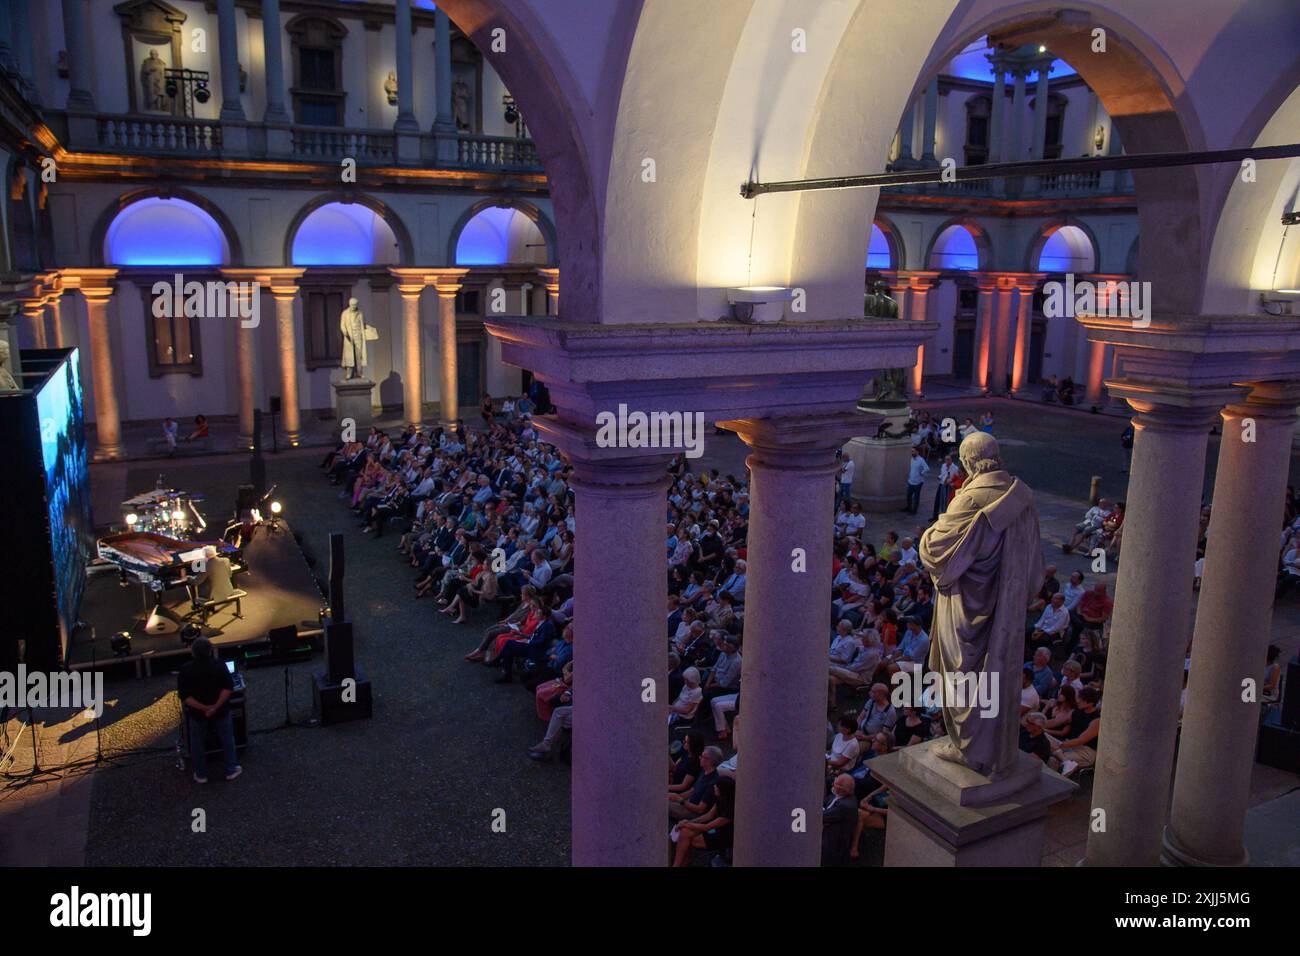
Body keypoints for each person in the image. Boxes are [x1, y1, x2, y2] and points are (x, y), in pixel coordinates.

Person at [177, 638, 241, 784]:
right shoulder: (219, 664)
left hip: (197, 714)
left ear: (192, 652)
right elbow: (228, 688)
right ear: (210, 650)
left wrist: (204, 708)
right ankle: (232, 769)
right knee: (227, 739)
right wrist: (215, 707)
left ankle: (201, 774)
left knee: (197, 743)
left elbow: (185, 696)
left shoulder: (185, 669)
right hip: (220, 710)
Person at [1049, 686, 1101, 776]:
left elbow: (1081, 740)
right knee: (1045, 741)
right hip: (1070, 745)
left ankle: (1061, 783)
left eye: (1081, 699)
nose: (1078, 701)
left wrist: (1060, 745)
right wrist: (1039, 724)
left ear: (1090, 703)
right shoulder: (1076, 712)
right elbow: (1056, 722)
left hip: (1085, 752)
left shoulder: (1096, 720)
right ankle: (1065, 764)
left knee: (1055, 758)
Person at [822, 774, 859, 866]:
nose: (833, 785)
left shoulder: (844, 806)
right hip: (827, 827)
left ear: (842, 790)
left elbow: (821, 817)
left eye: (835, 784)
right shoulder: (840, 795)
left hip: (833, 843)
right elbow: (825, 803)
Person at [904, 447, 929, 515]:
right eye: (911, 451)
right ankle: (909, 507)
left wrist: (922, 473)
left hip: (918, 482)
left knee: (916, 497)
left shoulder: (921, 460)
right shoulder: (911, 459)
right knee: (908, 495)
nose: (912, 452)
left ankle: (914, 511)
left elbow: (927, 468)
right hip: (911, 480)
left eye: (913, 451)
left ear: (917, 452)